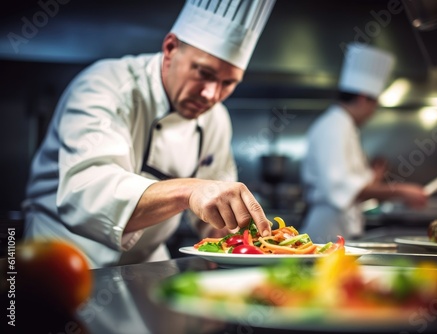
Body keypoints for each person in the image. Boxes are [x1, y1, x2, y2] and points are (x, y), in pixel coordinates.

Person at [22, 0, 276, 268]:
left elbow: (218, 214)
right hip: (64, 259)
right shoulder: (104, 87)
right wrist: (190, 190)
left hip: (146, 264)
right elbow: (86, 196)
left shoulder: (216, 118)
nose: (211, 94)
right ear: (170, 48)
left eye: (228, 83)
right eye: (203, 73)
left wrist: (246, 242)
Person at [300, 42, 428, 243]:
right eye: (374, 103)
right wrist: (401, 191)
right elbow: (341, 190)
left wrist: (373, 176)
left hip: (339, 230)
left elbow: (351, 185)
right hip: (325, 233)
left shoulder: (345, 126)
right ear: (362, 98)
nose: (374, 111)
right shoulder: (333, 126)